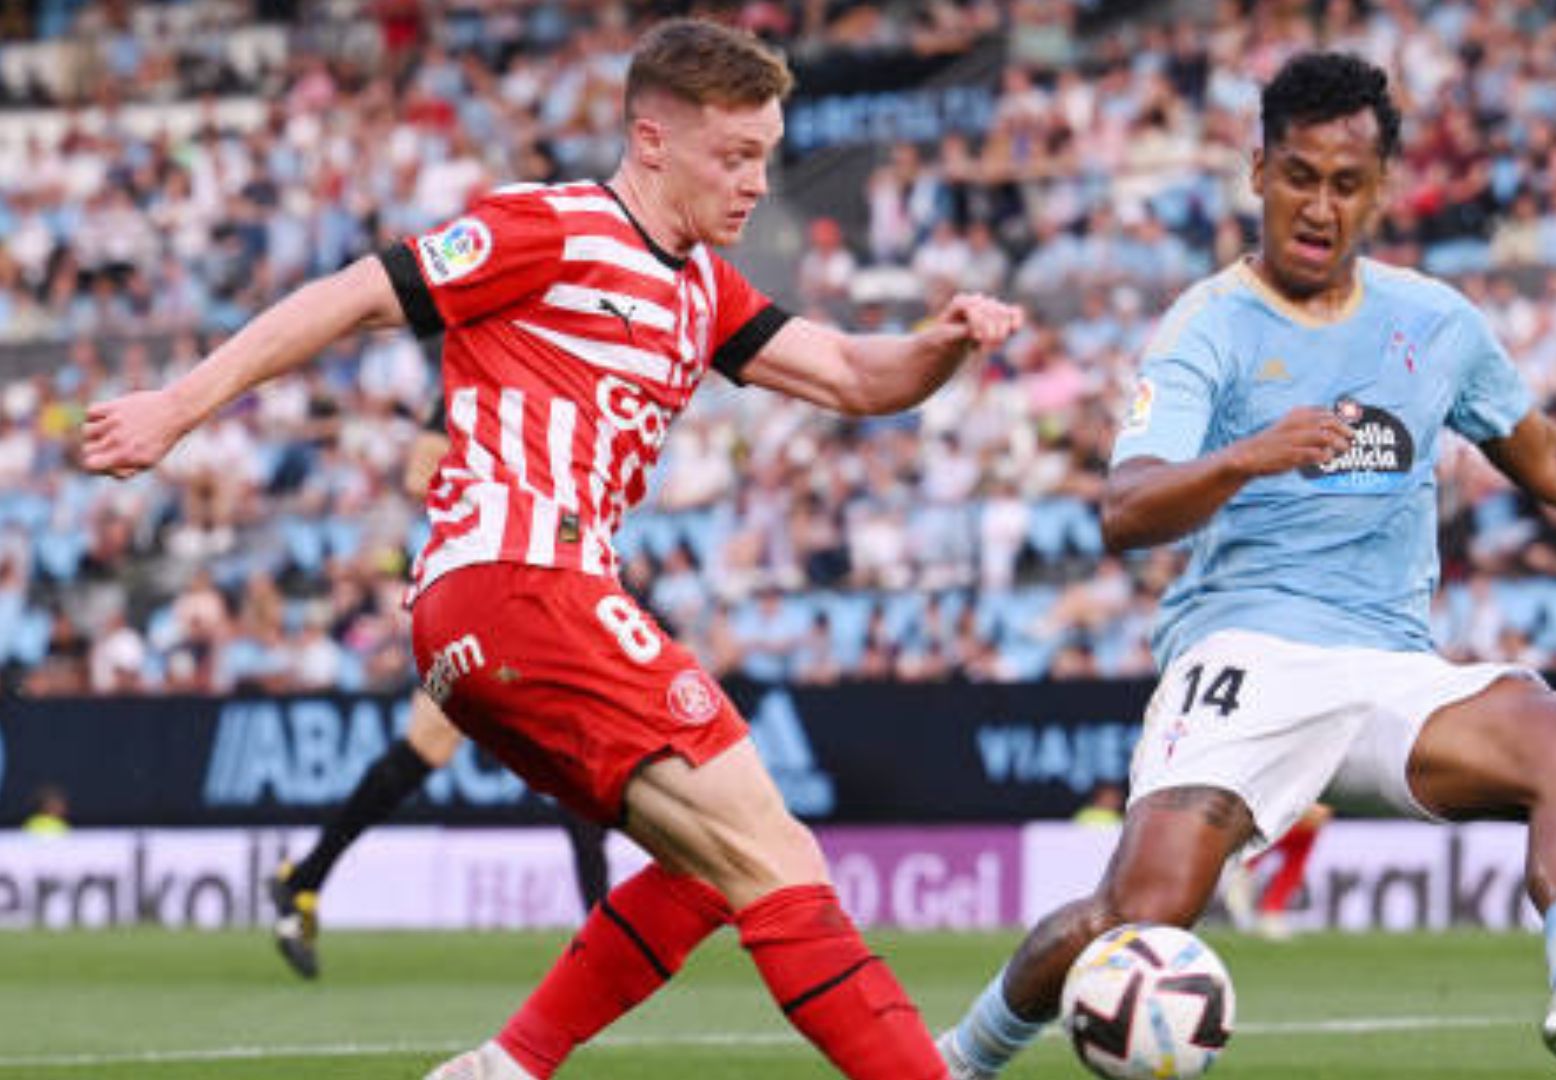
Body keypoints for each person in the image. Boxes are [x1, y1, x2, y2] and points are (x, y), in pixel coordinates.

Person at [82, 18, 1021, 1080]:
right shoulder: (555, 229)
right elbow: (353, 294)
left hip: (497, 618)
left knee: (710, 867)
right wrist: (177, 405)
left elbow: (856, 375)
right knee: (779, 855)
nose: (758, 181)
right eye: (737, 155)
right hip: (522, 581)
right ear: (652, 140)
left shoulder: (706, 289)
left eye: (767, 154)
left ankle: (506, 1067)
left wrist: (941, 348)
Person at [939, 52, 1556, 1076]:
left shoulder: (1435, 322)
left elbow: (1543, 456)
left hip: (1392, 666)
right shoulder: (1207, 329)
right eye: (1301, 177)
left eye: (1348, 183)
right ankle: (957, 1060)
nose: (1321, 206)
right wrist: (1248, 453)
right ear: (1258, 170)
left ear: (1384, 189)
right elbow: (1125, 510)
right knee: (1131, 918)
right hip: (1248, 654)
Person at [266, 411, 612, 981]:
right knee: (566, 745)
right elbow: (417, 478)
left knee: (430, 745)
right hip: (482, 585)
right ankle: (603, 934)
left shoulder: (547, 378)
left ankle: (304, 878)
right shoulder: (469, 381)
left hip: (516, 584)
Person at [1220, 802, 1329, 940]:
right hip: (1285, 819)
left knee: (1292, 871)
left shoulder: (1312, 829)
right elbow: (1252, 856)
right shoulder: (1281, 821)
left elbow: (1292, 872)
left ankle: (1271, 915)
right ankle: (1242, 905)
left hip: (1302, 827)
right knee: (1244, 869)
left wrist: (1273, 910)